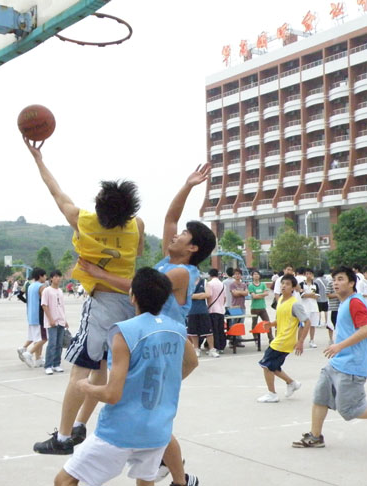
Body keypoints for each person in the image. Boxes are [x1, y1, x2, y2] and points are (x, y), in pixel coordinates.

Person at [75, 164, 215, 486]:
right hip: (155, 342)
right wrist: (188, 185)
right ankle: (179, 478)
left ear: (192, 248)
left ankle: (178, 478)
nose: (176, 235)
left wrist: (99, 274)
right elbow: (170, 218)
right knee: (153, 420)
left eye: (184, 236)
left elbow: (138, 286)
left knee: (152, 418)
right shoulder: (170, 260)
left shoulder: (181, 273)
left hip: (164, 345)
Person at [24, 139, 144, 455]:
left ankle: (63, 438)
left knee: (79, 370)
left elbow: (56, 192)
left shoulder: (82, 220)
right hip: (130, 306)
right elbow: (138, 253)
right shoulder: (137, 225)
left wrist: (39, 159)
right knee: (101, 368)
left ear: (99, 208)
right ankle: (79, 425)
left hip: (101, 304)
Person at [54, 268, 199, 486]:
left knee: (64, 481)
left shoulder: (124, 332)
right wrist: (166, 383)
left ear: (133, 296)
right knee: (145, 481)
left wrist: (84, 386)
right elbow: (192, 362)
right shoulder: (177, 329)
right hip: (157, 429)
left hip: (121, 430)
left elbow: (112, 394)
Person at [292, 266, 367, 448]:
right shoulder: (345, 302)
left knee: (350, 410)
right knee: (320, 397)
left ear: (352, 283)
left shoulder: (355, 302)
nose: (335, 283)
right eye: (334, 280)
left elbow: (365, 330)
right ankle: (315, 437)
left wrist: (339, 346)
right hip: (337, 363)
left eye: (340, 279)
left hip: (352, 365)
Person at [257, 274, 311, 403]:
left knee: (265, 364)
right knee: (273, 366)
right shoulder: (280, 299)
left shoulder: (295, 304)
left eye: (287, 284)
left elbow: (307, 322)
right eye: (282, 283)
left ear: (293, 288)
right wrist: (271, 324)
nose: (283, 286)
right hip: (280, 338)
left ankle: (272, 394)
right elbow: (283, 319)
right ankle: (292, 383)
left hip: (284, 340)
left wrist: (300, 341)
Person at [42, 270, 69, 375]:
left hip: (61, 321)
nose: (58, 278)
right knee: (52, 344)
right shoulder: (47, 290)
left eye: (59, 276)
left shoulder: (60, 291)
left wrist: (65, 320)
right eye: (56, 276)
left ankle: (56, 364)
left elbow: (62, 307)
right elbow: (44, 305)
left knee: (59, 344)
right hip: (52, 322)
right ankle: (48, 365)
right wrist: (50, 319)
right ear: (51, 278)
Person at [21, 267, 48, 368]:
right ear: (40, 276)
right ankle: (29, 353)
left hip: (31, 315)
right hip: (39, 316)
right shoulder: (41, 287)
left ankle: (38, 359)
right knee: (44, 338)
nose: (46, 277)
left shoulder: (30, 286)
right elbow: (45, 302)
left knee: (37, 339)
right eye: (44, 275)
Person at [187, 276, 220, 358]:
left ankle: (212, 349)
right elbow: (186, 295)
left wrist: (194, 295)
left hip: (203, 310)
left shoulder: (204, 282)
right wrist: (201, 295)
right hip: (191, 311)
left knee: (208, 332)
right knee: (193, 332)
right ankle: (196, 349)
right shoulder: (187, 282)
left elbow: (208, 294)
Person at [248, 270, 273, 344]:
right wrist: (262, 294)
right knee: (254, 323)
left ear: (259, 276)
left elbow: (266, 293)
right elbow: (254, 296)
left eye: (257, 274)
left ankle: (271, 338)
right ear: (252, 276)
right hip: (254, 308)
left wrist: (258, 295)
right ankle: (255, 338)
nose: (256, 275)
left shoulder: (263, 284)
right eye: (254, 274)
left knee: (267, 322)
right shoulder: (251, 285)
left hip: (262, 307)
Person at [207, 268, 227, 353]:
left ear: (210, 275)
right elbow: (225, 298)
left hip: (212, 309)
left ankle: (216, 347)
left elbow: (209, 296)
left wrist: (208, 306)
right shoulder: (222, 284)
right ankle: (222, 346)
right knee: (220, 329)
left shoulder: (209, 284)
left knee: (213, 330)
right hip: (221, 310)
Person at [300, 269, 320, 348]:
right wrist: (311, 295)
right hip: (305, 308)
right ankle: (300, 341)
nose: (308, 275)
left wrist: (308, 294)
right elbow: (302, 295)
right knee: (303, 325)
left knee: (313, 325)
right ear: (305, 275)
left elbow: (317, 295)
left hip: (314, 307)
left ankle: (312, 340)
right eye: (307, 274)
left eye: (310, 274)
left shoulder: (315, 284)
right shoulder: (302, 284)